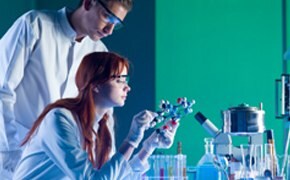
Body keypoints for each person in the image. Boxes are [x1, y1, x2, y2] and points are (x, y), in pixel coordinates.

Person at [0, 0, 133, 176]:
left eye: (116, 24)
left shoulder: (99, 52)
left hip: (61, 167)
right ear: (88, 3)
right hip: (12, 157)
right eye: (107, 17)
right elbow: (3, 91)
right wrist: (10, 154)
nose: (109, 30)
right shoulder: (36, 25)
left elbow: (101, 112)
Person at [12, 52, 179, 179]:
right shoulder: (59, 119)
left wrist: (148, 147)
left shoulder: (102, 125)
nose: (127, 88)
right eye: (119, 80)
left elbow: (115, 176)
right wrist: (131, 140)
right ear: (96, 84)